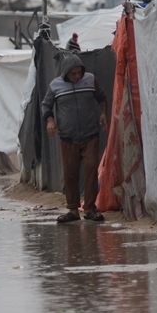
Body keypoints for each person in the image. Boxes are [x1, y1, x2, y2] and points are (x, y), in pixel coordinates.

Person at [41, 53, 108, 223]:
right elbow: (46, 105)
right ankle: (73, 209)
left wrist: (103, 114)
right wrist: (50, 121)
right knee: (70, 173)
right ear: (66, 72)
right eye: (74, 73)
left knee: (92, 169)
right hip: (68, 137)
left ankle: (90, 209)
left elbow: (101, 97)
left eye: (80, 72)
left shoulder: (90, 80)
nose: (78, 76)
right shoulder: (55, 86)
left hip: (90, 134)